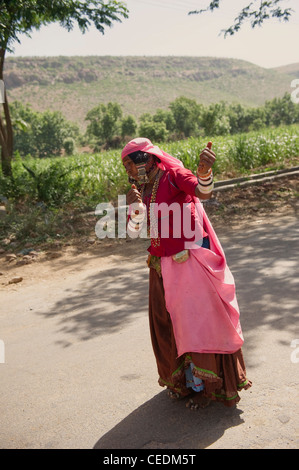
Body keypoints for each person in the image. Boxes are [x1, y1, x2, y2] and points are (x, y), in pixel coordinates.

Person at [121, 137, 251, 409]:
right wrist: (133, 209)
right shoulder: (141, 190)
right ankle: (184, 382)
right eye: (126, 167)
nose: (129, 172)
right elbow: (134, 232)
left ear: (148, 159)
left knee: (197, 324)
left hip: (188, 260)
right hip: (160, 265)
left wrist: (204, 173)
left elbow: (202, 192)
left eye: (131, 165)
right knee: (168, 324)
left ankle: (207, 386)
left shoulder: (173, 175)